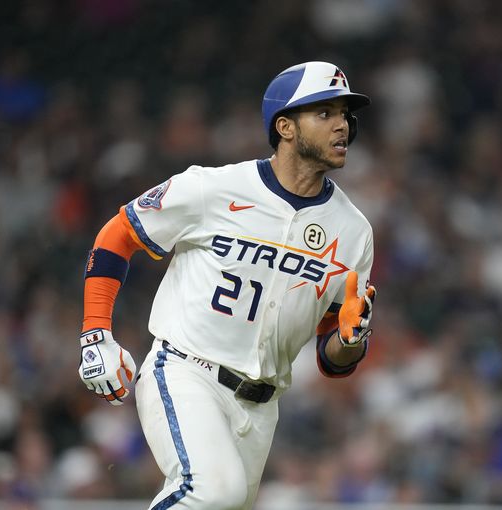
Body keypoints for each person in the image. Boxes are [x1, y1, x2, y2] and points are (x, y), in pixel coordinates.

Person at [77, 61, 378, 509]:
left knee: (219, 499)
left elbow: (333, 358)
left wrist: (352, 340)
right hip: (185, 371)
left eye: (345, 115)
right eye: (325, 113)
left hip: (261, 407)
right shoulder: (212, 188)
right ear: (285, 127)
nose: (342, 125)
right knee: (212, 492)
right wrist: (95, 332)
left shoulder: (354, 232)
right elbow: (117, 234)